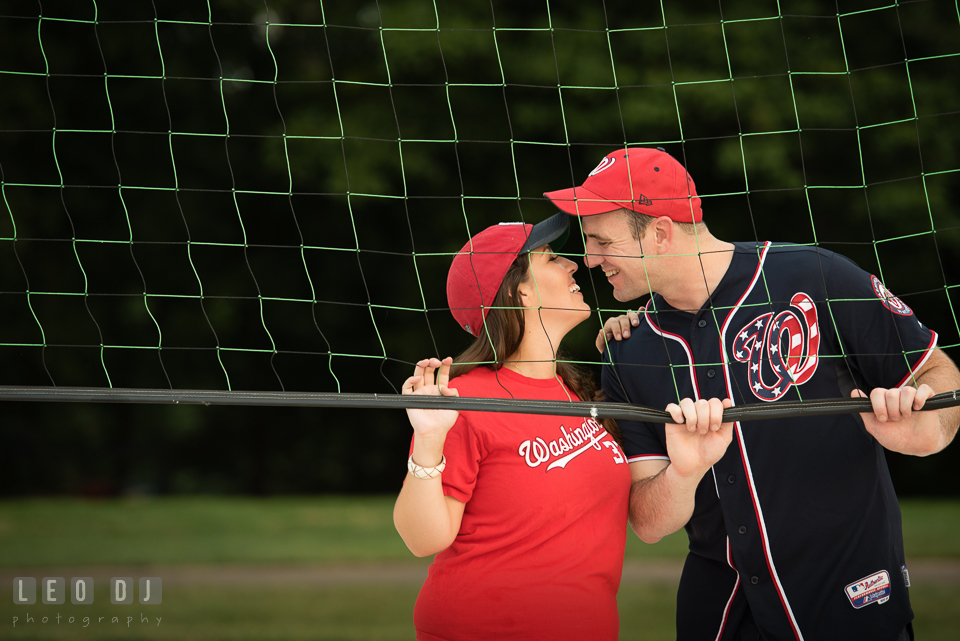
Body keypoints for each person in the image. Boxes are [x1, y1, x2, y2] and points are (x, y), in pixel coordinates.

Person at [543, 147, 960, 641]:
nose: (589, 261)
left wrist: (926, 432)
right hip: (720, 616)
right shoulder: (628, 348)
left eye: (600, 242)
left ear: (659, 232)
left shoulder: (816, 276)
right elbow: (649, 523)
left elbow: (936, 370)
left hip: (855, 601)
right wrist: (685, 470)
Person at [393, 213, 661, 640]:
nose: (574, 265)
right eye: (553, 257)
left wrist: (636, 337)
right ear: (519, 291)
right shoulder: (465, 400)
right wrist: (427, 441)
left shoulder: (579, 394)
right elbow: (424, 539)